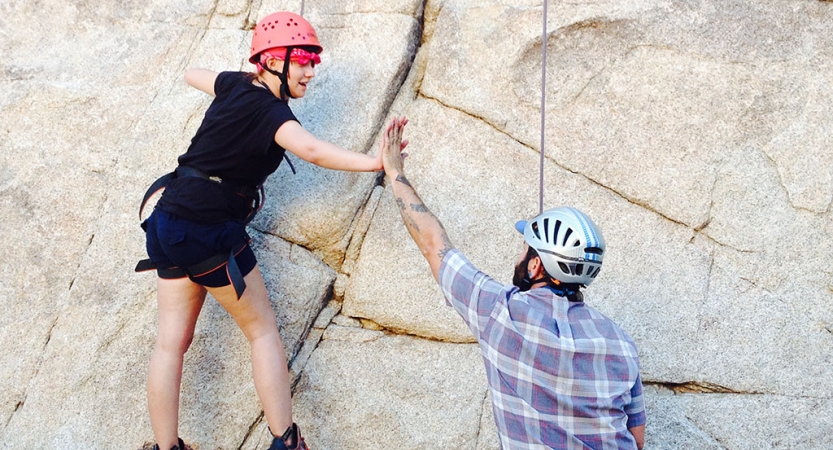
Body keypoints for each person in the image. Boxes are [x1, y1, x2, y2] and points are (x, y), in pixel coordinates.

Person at [136, 11, 405, 450]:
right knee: (262, 332)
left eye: (313, 60)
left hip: (169, 218)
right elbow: (313, 151)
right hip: (208, 230)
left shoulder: (237, 85)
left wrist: (246, 73)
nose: (311, 71)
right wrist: (378, 164)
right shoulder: (271, 113)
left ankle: (166, 448)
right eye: (302, 59)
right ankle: (286, 442)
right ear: (274, 60)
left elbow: (192, 74)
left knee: (170, 344)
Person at [379, 117, 646, 449]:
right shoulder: (622, 344)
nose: (519, 257)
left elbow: (434, 244)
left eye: (524, 249)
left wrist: (395, 172)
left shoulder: (501, 312)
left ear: (536, 265)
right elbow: (637, 440)